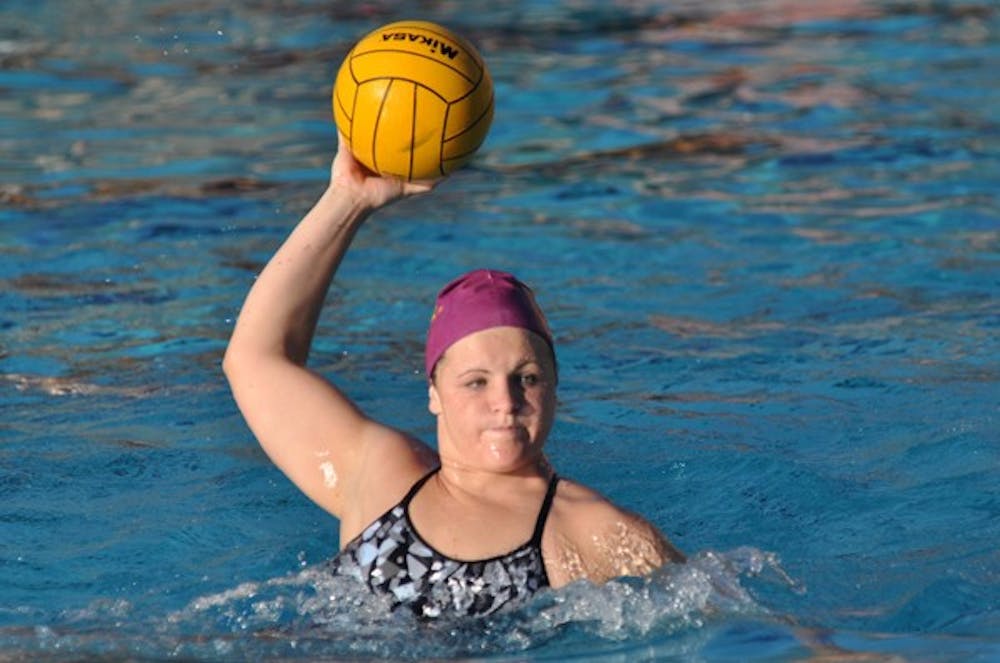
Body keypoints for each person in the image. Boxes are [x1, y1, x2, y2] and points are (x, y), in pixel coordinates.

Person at [222, 138, 685, 620]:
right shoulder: (380, 477)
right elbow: (254, 358)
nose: (505, 402)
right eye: (476, 382)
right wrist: (347, 200)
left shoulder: (594, 532)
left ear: (554, 386)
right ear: (434, 394)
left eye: (526, 378)